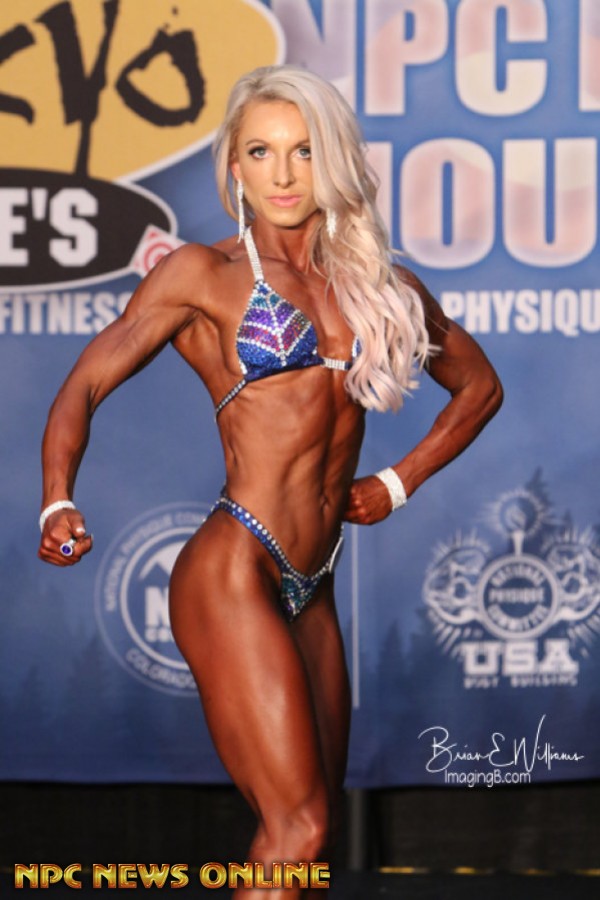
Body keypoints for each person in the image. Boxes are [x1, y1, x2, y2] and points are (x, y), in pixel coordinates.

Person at [38, 65, 502, 897]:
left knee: (308, 840)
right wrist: (57, 497)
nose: (283, 174)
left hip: (312, 584)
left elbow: (480, 387)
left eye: (303, 151)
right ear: (235, 166)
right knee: (299, 828)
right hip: (233, 568)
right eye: (261, 152)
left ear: (334, 159)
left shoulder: (379, 285)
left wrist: (399, 482)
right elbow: (85, 385)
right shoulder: (202, 274)